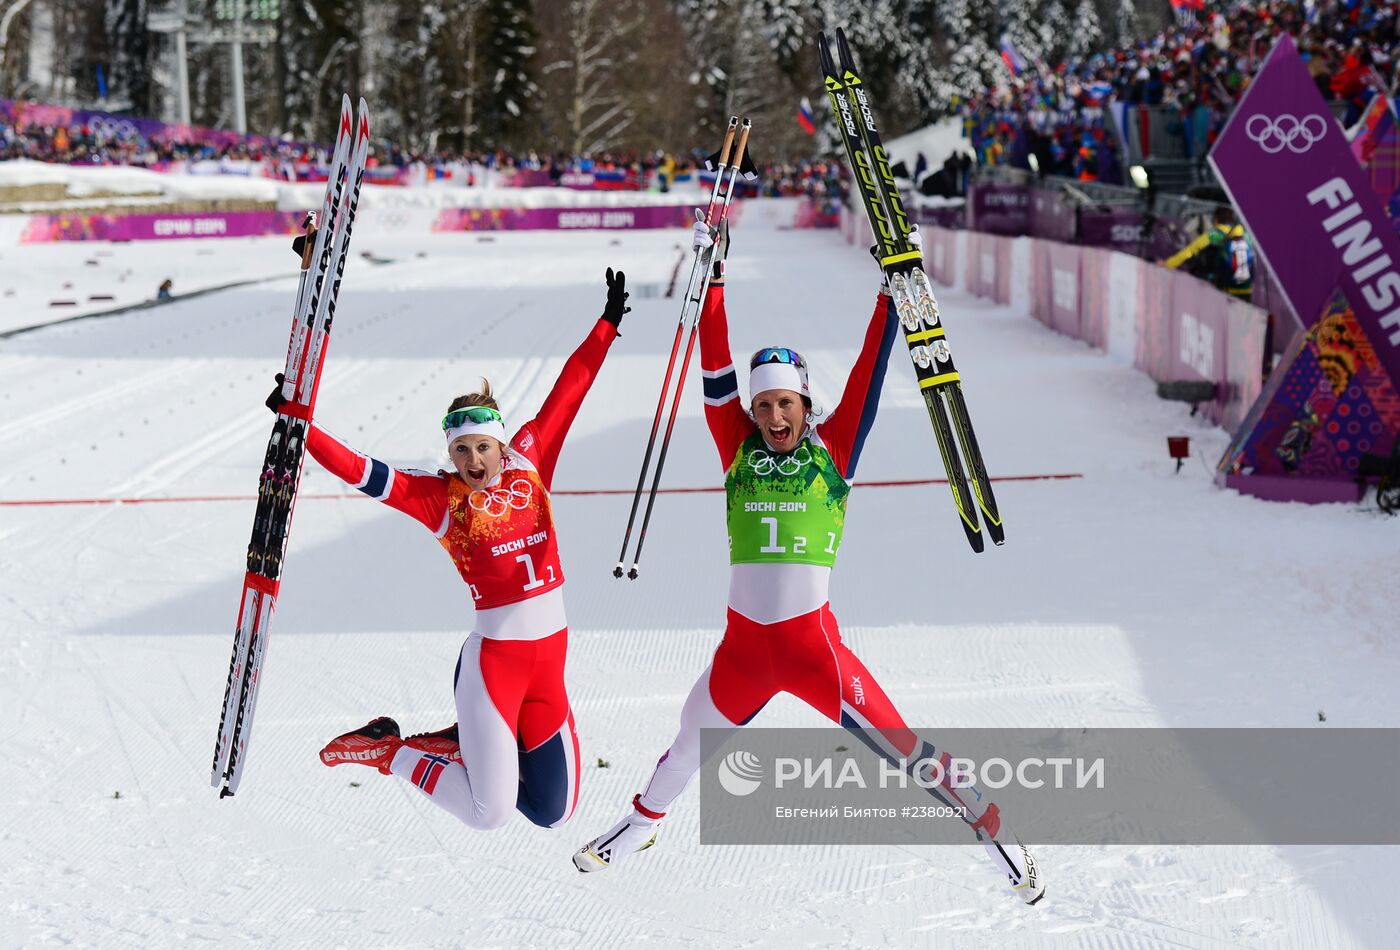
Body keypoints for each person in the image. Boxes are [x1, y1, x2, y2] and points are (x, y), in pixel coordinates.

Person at [573, 218, 1045, 905]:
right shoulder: (734, 444)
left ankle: (992, 828)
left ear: (804, 405)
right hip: (742, 654)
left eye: (784, 403)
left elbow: (867, 375)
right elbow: (713, 367)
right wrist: (716, 279)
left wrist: (889, 299)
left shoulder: (835, 449)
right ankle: (638, 826)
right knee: (685, 744)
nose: (772, 415)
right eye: (762, 404)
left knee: (904, 750)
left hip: (813, 651)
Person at [269, 268, 631, 831]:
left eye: (482, 446)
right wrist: (301, 427)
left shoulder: (531, 462)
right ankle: (389, 751)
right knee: (491, 815)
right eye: (461, 450)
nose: (473, 460)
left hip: (547, 671)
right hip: (493, 670)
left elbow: (571, 389)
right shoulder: (439, 498)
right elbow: (363, 471)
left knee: (551, 812)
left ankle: (461, 742)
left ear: (501, 442)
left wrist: (607, 324)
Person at [1164, 205, 1253, 298]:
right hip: (1243, 289)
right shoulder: (1245, 237)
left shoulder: (1213, 235)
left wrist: (1168, 264)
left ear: (1216, 220)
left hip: (1215, 286)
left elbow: (1189, 251)